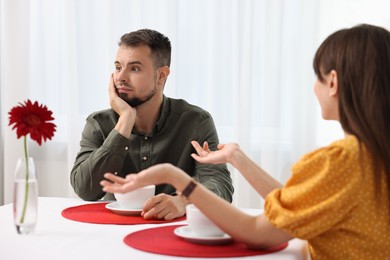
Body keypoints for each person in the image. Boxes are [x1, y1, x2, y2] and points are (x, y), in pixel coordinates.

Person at [101, 24, 390, 259]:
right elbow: (297, 204)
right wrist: (237, 157)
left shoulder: (342, 162)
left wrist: (175, 178)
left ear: (334, 82)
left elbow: (257, 233)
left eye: (318, 75)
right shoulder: (372, 155)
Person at [71, 29, 234, 220]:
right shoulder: (98, 123)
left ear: (161, 75)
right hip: (113, 231)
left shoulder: (196, 122)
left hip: (174, 231)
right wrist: (125, 121)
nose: (121, 77)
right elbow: (84, 190)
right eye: (118, 67)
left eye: (134, 68)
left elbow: (219, 185)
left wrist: (183, 200)